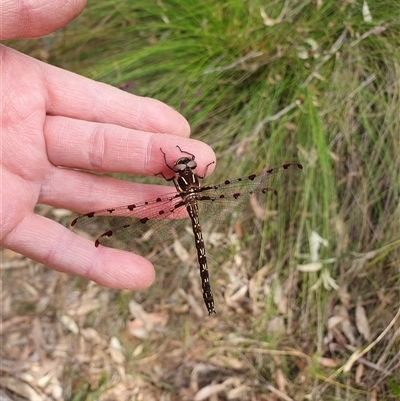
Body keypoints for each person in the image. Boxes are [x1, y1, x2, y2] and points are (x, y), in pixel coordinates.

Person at [0, 0, 216, 290]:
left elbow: (169, 173)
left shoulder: (173, 176)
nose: (185, 165)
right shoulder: (189, 179)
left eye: (185, 164)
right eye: (185, 164)